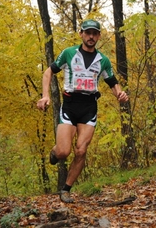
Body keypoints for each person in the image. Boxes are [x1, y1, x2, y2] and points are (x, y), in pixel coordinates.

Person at [37, 19, 129, 203]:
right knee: (64, 152)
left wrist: (120, 94)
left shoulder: (102, 60)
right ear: (81, 34)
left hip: (89, 107)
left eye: (95, 33)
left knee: (81, 150)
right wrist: (45, 95)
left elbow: (112, 82)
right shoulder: (69, 53)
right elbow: (48, 72)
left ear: (99, 36)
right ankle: (55, 152)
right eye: (88, 33)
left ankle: (66, 189)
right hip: (70, 104)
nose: (91, 36)